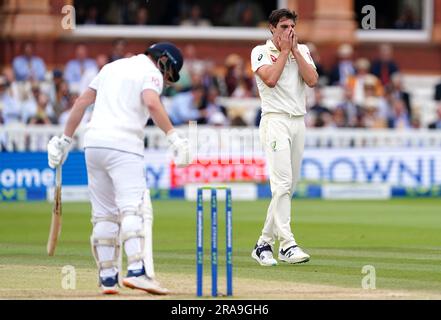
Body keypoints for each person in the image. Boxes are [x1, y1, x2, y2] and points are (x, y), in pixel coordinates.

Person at [47, 42, 191, 295]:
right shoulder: (150, 72)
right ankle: (137, 271)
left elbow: (82, 102)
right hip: (124, 145)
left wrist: (64, 140)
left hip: (93, 146)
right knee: (132, 209)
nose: (166, 82)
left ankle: (107, 277)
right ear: (163, 61)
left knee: (104, 214)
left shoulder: (111, 67)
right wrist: (174, 137)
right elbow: (152, 103)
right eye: (168, 75)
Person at [250, 9, 317, 266]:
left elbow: (312, 80)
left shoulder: (304, 51)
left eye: (292, 26)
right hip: (275, 120)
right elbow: (270, 79)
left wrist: (296, 51)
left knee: (288, 188)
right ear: (272, 28)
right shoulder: (260, 51)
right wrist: (285, 52)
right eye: (284, 27)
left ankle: (263, 243)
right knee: (281, 185)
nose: (289, 31)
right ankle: (287, 245)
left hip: (298, 121)